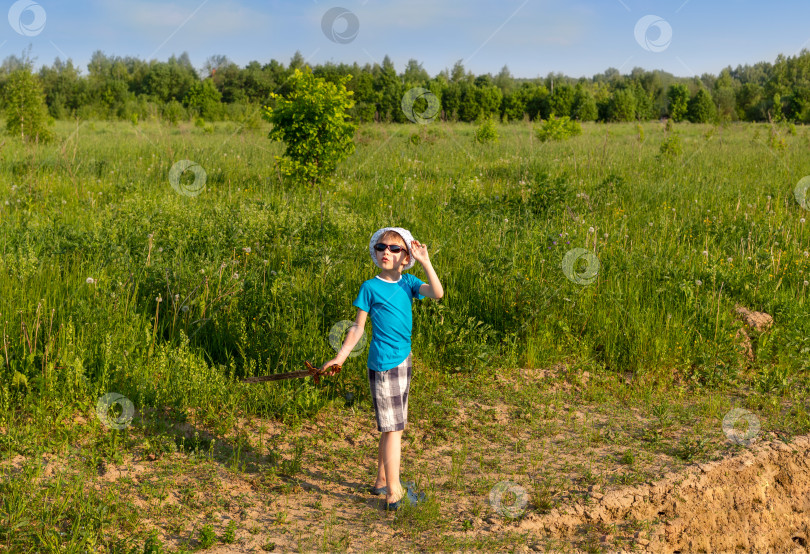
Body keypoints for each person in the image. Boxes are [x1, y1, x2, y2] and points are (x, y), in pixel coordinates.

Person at [320, 226, 444, 510]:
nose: (386, 252)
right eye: (381, 247)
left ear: (405, 257)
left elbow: (437, 293)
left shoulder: (409, 282)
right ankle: (394, 493)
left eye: (394, 248)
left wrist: (426, 261)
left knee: (393, 428)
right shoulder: (370, 287)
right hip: (384, 364)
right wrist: (340, 357)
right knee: (393, 430)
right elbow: (357, 328)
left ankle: (380, 481)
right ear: (375, 253)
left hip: (403, 359)